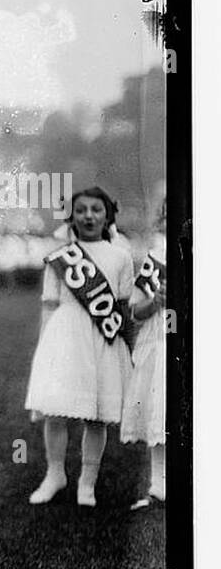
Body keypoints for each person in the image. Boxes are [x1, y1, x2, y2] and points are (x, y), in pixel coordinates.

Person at [24, 187, 134, 507]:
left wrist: (128, 346)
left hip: (102, 337)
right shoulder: (61, 258)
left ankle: (88, 483)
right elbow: (49, 304)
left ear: (107, 215)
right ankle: (55, 474)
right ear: (72, 217)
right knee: (55, 412)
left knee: (96, 415)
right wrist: (45, 347)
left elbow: (123, 307)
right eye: (82, 210)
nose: (89, 216)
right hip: (65, 334)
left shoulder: (121, 257)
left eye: (96, 209)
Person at [121, 212, 168, 508]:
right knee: (158, 409)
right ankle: (159, 484)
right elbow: (134, 313)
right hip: (160, 341)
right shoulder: (155, 260)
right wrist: (156, 302)